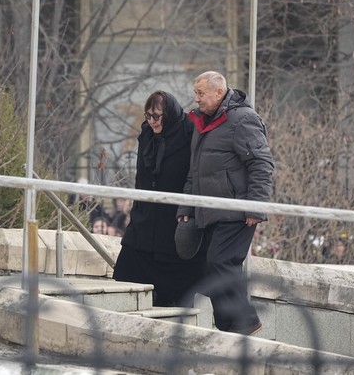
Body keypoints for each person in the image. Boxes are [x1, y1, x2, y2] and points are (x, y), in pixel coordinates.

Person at [176, 71, 275, 335]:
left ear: (218, 92)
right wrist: (187, 207)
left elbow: (262, 164)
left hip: (237, 211)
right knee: (211, 268)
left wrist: (255, 206)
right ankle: (229, 327)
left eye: (200, 93)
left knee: (221, 263)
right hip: (208, 211)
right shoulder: (204, 123)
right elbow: (194, 171)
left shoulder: (243, 119)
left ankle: (247, 324)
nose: (196, 99)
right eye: (196, 93)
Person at [113, 90, 205, 307]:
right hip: (144, 222)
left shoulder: (188, 134)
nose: (152, 121)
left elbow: (194, 176)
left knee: (174, 295)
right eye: (148, 115)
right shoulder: (147, 134)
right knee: (125, 275)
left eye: (157, 116)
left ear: (169, 115)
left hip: (173, 223)